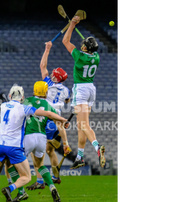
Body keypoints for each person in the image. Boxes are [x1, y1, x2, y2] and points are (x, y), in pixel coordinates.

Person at [0, 84, 69, 202]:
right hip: (33, 140)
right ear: (22, 97)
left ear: (9, 96)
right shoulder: (28, 107)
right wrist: (63, 120)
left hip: (5, 143)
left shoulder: (3, 106)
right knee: (34, 170)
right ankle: (48, 186)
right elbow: (49, 115)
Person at [10, 81, 70, 202]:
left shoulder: (26, 101)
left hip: (28, 137)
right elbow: (59, 124)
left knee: (11, 165)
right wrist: (65, 143)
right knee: (39, 165)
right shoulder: (48, 106)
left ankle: (20, 192)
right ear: (46, 92)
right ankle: (52, 187)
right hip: (42, 138)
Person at [25, 41, 71, 191]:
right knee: (50, 150)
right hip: (58, 120)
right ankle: (56, 176)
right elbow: (67, 100)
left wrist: (47, 49)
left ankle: (40, 180)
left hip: (47, 116)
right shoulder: (66, 90)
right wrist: (65, 142)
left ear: (56, 78)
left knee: (37, 151)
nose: (51, 74)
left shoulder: (48, 83)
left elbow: (42, 66)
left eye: (54, 74)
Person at [62, 16, 106, 169]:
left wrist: (72, 24)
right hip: (91, 90)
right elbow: (89, 49)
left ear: (86, 48)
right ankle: (80, 157)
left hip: (81, 90)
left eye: (83, 45)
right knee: (80, 126)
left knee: (84, 125)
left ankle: (97, 147)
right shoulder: (96, 57)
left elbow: (65, 41)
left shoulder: (80, 57)